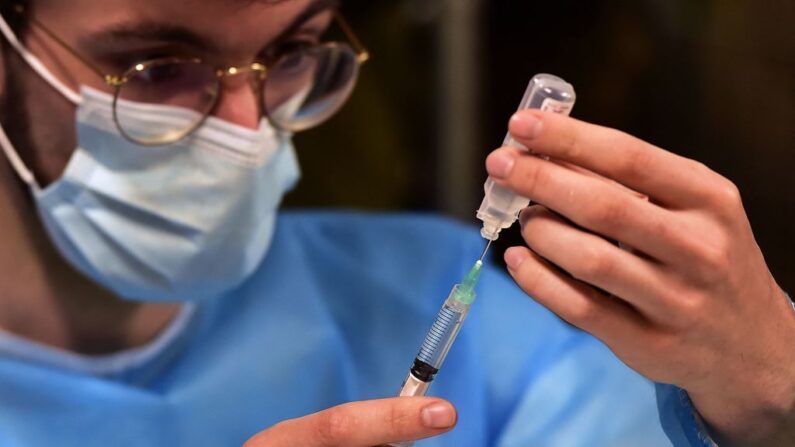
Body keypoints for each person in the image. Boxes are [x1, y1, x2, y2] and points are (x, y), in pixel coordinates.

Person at [0, 0, 792, 446]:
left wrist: (768, 393)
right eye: (157, 67)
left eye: (292, 51)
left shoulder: (447, 305)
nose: (244, 127)